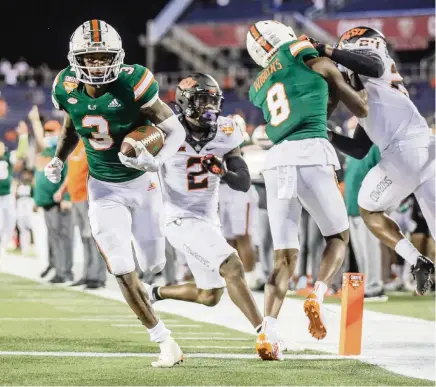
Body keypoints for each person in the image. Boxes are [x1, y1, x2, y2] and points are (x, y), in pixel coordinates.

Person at [45, 20, 185, 367]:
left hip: (143, 184)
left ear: (117, 56)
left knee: (153, 262)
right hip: (103, 187)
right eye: (89, 58)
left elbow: (175, 130)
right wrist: (58, 159)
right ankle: (164, 341)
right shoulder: (65, 85)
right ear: (76, 58)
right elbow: (72, 123)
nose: (96, 64)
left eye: (103, 56)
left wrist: (158, 161)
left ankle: (152, 276)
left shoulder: (134, 81)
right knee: (121, 266)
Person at [246, 20, 368, 358]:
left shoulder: (261, 83)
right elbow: (361, 108)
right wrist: (355, 86)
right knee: (337, 237)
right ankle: (317, 292)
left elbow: (309, 101)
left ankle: (267, 332)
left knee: (283, 257)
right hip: (312, 152)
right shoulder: (308, 57)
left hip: (276, 161)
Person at [145, 73, 267, 360]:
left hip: (208, 220)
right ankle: (265, 332)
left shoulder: (226, 130)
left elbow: (244, 181)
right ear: (185, 101)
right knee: (232, 265)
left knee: (209, 296)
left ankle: (153, 293)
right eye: (202, 100)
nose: (209, 107)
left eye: (214, 100)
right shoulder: (165, 131)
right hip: (177, 217)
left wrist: (223, 172)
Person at [311, 26, 435, 294]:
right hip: (426, 150)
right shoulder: (371, 91)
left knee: (367, 208)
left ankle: (416, 260)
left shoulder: (372, 63)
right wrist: (327, 133)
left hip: (405, 152)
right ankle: (420, 263)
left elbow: (374, 65)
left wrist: (325, 50)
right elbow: (357, 148)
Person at [55, 139, 107, 289]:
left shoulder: (92, 144)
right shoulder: (74, 146)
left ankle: (97, 276)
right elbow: (71, 174)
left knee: (93, 237)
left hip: (87, 197)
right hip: (75, 198)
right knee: (85, 238)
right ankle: (86, 274)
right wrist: (62, 191)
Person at [32, 116, 74, 283]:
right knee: (54, 236)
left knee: (62, 236)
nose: (49, 135)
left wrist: (67, 196)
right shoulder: (45, 152)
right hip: (46, 201)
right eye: (47, 131)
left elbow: (70, 175)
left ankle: (64, 271)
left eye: (52, 131)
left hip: (57, 201)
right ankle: (56, 266)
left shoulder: (62, 151)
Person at [344, 144, 387, 300]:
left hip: (368, 207)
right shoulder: (352, 150)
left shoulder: (375, 147)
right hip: (351, 207)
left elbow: (385, 174)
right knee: (360, 252)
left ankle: (375, 286)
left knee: (370, 249)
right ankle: (366, 285)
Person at [0, 141, 17, 258]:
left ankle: (4, 246)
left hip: (8, 195)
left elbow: (20, 155)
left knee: (11, 222)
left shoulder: (8, 157)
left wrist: (23, 137)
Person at [15, 169, 35, 256]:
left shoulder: (32, 185)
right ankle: (24, 248)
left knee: (33, 227)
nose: (26, 176)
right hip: (20, 207)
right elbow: (15, 196)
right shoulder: (19, 184)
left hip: (29, 206)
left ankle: (34, 247)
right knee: (22, 228)